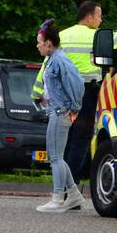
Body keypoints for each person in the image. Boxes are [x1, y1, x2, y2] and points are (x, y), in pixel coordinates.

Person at [35, 19, 85, 213]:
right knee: (56, 155)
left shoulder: (59, 60)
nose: (37, 45)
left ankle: (58, 198)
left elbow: (77, 83)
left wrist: (73, 107)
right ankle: (73, 194)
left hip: (60, 112)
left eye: (39, 42)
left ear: (48, 43)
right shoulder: (54, 59)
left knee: (56, 157)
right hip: (57, 111)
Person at [58, 1, 103, 187]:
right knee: (81, 140)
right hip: (87, 93)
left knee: (66, 141)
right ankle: (71, 187)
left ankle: (61, 187)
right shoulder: (98, 37)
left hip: (63, 94)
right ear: (89, 17)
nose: (101, 20)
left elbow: (48, 65)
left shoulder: (62, 35)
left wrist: (38, 92)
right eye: (99, 15)